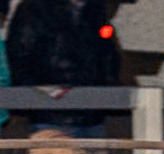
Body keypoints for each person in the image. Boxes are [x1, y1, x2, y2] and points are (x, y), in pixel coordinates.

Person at [8, 0, 121, 138]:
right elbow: (20, 59)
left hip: (89, 113)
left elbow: (107, 57)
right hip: (53, 113)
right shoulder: (35, 9)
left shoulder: (95, 11)